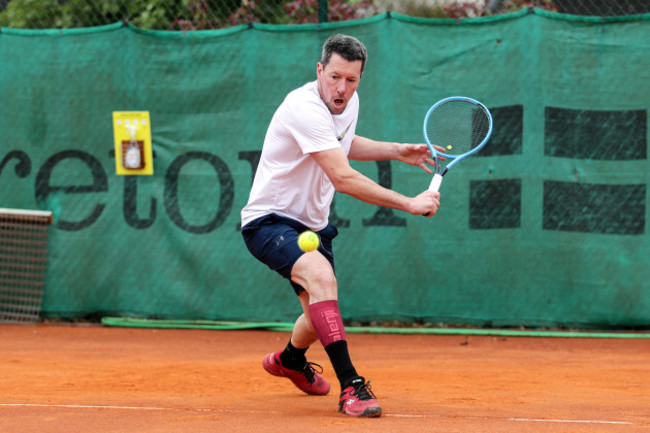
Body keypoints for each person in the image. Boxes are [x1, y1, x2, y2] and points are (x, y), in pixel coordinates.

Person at [241, 34, 442, 418]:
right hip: (269, 220)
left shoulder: (348, 102)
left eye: (351, 81)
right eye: (334, 77)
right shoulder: (302, 106)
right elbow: (342, 176)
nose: (342, 88)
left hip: (313, 225)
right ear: (319, 70)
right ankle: (352, 386)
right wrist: (408, 203)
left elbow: (341, 143)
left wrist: (397, 151)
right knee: (322, 279)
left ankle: (290, 360)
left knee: (317, 317)